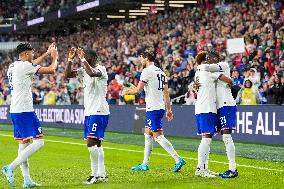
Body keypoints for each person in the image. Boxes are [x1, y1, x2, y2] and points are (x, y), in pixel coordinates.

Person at [2, 42, 58, 188]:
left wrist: (46, 54)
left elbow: (32, 63)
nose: (33, 55)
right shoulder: (25, 66)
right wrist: (54, 57)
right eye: (32, 53)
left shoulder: (14, 65)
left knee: (24, 144)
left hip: (15, 109)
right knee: (39, 142)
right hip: (24, 110)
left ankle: (27, 180)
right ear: (26, 54)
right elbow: (52, 70)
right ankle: (10, 168)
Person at [123, 48, 186, 172]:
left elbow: (138, 90)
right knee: (147, 134)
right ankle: (144, 164)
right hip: (159, 107)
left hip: (153, 108)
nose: (141, 60)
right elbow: (166, 94)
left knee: (158, 137)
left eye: (141, 58)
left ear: (146, 57)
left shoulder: (146, 71)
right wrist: (169, 110)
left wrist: (127, 91)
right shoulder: (161, 72)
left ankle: (178, 159)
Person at [65, 47, 109, 184]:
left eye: (86, 57)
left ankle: (94, 175)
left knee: (91, 143)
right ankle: (102, 174)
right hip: (89, 112)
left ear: (93, 58)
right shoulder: (83, 70)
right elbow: (67, 74)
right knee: (98, 144)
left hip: (99, 111)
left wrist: (82, 59)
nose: (83, 58)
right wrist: (70, 59)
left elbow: (92, 72)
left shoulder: (101, 69)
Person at [194, 51, 233, 178]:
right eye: (207, 59)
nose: (209, 61)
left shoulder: (197, 74)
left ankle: (205, 167)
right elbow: (228, 80)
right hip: (207, 108)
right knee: (207, 139)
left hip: (201, 108)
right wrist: (231, 81)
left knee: (206, 138)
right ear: (204, 60)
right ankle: (200, 169)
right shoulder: (207, 71)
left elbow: (195, 87)